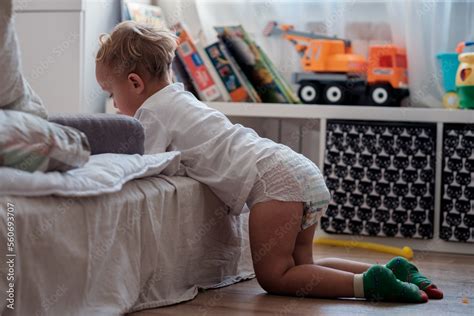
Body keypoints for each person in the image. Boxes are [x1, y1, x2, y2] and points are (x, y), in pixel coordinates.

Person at [95, 21, 443, 303]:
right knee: (303, 266)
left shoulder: (152, 114)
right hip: (298, 170)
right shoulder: (185, 100)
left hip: (274, 183)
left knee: (276, 276)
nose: (113, 105)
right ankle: (394, 270)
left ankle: (369, 287)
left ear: (135, 83)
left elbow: (151, 164)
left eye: (111, 94)